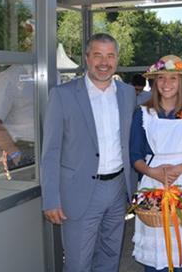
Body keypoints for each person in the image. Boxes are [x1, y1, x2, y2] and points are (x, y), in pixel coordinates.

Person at [40, 33, 137, 272]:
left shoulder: (127, 93)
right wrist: (51, 198)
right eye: (97, 55)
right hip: (79, 192)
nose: (104, 62)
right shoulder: (62, 95)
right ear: (86, 58)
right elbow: (50, 151)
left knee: (110, 256)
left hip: (117, 190)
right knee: (78, 263)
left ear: (117, 59)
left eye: (110, 55)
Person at [129, 55, 182, 271]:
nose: (167, 84)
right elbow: (135, 155)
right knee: (158, 241)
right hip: (152, 183)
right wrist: (151, 171)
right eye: (161, 78)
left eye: (173, 78)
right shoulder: (142, 113)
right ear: (155, 82)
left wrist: (178, 169)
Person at [0, 64, 35, 173]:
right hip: (24, 148)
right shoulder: (10, 76)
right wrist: (14, 153)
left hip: (49, 145)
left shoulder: (50, 72)